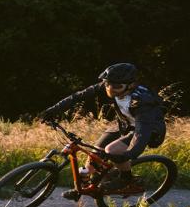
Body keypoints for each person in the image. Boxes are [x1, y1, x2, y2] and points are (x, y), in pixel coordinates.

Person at [40, 63, 166, 192]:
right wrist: (51, 111)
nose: (111, 89)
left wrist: (129, 154)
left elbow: (141, 131)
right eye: (107, 84)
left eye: (116, 86)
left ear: (131, 85)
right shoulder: (110, 86)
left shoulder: (142, 101)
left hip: (149, 129)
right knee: (95, 153)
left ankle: (126, 179)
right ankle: (90, 186)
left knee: (112, 150)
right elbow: (78, 96)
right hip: (125, 124)